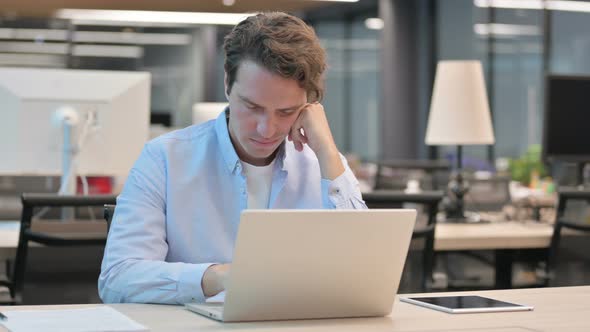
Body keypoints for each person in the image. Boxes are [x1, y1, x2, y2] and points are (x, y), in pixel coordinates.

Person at [99, 12, 367, 305]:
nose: (267, 128)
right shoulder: (164, 158)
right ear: (228, 84)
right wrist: (222, 277)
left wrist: (328, 151)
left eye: (286, 112)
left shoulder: (322, 164)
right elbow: (118, 279)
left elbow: (364, 270)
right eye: (252, 107)